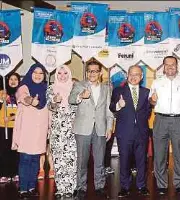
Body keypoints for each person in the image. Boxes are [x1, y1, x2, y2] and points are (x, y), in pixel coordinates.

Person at [68, 61, 114, 199]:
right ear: (86, 72)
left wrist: (110, 127)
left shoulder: (107, 88)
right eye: (89, 71)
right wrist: (81, 96)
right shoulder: (79, 85)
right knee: (82, 160)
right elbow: (71, 99)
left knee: (100, 161)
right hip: (82, 129)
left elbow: (108, 109)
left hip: (100, 128)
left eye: (95, 71)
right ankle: (81, 187)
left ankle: (100, 186)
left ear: (100, 73)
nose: (92, 73)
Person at [149, 56, 180, 195]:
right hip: (160, 120)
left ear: (177, 66)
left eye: (173, 65)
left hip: (179, 120)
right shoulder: (156, 82)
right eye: (167, 65)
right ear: (163, 67)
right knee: (160, 154)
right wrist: (152, 100)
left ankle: (179, 183)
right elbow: (152, 101)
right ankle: (161, 184)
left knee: (179, 154)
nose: (170, 67)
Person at [110, 65, 151, 197]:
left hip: (141, 132)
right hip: (124, 132)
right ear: (127, 75)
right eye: (131, 74)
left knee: (141, 160)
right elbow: (112, 107)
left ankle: (141, 185)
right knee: (125, 160)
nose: (134, 77)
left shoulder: (146, 92)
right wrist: (118, 105)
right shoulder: (118, 91)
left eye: (137, 74)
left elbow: (147, 111)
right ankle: (125, 186)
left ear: (141, 76)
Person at [12, 63, 49, 198]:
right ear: (30, 73)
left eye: (41, 73)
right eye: (35, 72)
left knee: (35, 160)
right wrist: (30, 100)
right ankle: (23, 188)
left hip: (40, 130)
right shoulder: (24, 87)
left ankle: (32, 187)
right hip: (27, 130)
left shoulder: (46, 89)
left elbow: (50, 108)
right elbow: (22, 96)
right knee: (25, 159)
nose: (38, 75)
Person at [46, 66, 77, 198]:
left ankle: (71, 187)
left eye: (65, 73)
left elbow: (79, 106)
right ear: (56, 75)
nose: (62, 76)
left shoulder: (75, 87)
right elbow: (50, 106)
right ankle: (61, 188)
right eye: (59, 73)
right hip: (57, 128)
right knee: (58, 158)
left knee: (71, 158)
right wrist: (55, 101)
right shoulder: (51, 88)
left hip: (73, 128)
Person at [0, 73, 20, 183]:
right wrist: (1, 100)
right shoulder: (2, 93)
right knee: (4, 151)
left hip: (17, 126)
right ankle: (4, 174)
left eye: (15, 79)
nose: (13, 81)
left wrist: (11, 118)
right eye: (11, 79)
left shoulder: (20, 93)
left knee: (16, 151)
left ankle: (15, 173)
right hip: (3, 127)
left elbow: (23, 111)